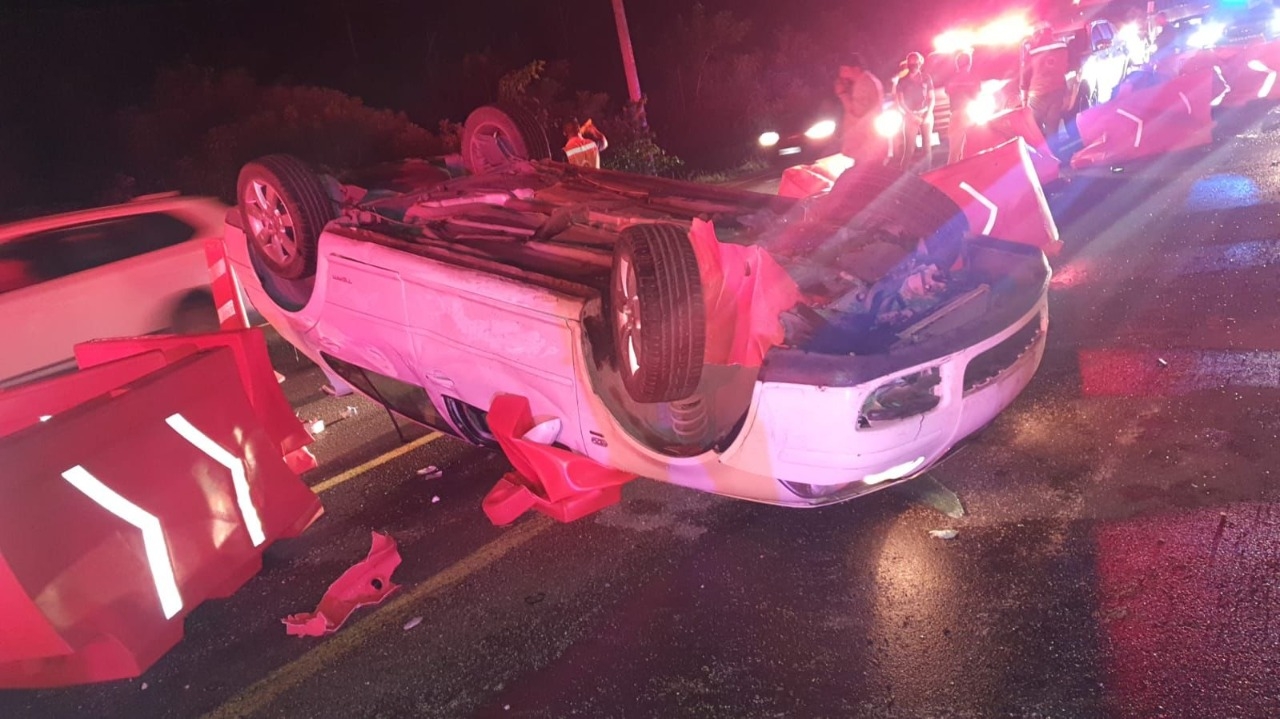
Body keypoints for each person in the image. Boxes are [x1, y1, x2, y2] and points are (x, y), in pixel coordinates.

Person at [1021, 22, 1070, 155]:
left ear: (1038, 34)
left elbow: (1025, 75)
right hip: (1057, 91)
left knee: (1033, 128)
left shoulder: (1031, 51)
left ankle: (1040, 158)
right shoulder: (1062, 46)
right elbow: (1065, 68)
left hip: (1037, 94)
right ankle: (1055, 158)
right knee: (1052, 128)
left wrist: (1024, 98)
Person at [833, 53, 887, 169]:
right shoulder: (865, 81)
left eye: (844, 69)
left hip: (866, 145)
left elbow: (857, 112)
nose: (841, 73)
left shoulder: (864, 84)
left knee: (864, 175)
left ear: (855, 68)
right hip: (868, 144)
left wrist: (842, 94)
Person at [894, 51, 935, 170]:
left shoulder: (926, 78)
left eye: (916, 62)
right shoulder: (902, 81)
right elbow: (901, 102)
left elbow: (931, 98)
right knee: (909, 149)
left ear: (920, 62)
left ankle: (927, 175)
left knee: (927, 147)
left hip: (925, 114)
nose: (914, 65)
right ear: (907, 64)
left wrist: (927, 115)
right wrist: (911, 116)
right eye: (911, 62)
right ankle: (901, 175)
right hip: (910, 116)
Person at [944, 51, 981, 164]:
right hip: (970, 116)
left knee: (954, 152)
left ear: (957, 64)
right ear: (969, 63)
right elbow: (977, 96)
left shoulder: (951, 79)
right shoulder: (974, 78)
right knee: (970, 150)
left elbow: (947, 91)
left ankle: (951, 176)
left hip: (955, 115)